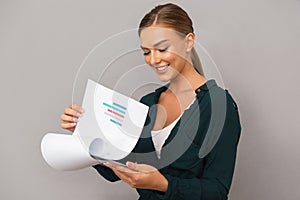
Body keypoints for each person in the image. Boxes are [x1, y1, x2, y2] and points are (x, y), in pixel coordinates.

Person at [60, 3, 241, 200]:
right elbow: (119, 168)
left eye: (162, 49)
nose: (153, 60)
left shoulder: (218, 106)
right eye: (146, 52)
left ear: (188, 42)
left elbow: (217, 191)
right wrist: (86, 133)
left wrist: (162, 184)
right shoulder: (147, 104)